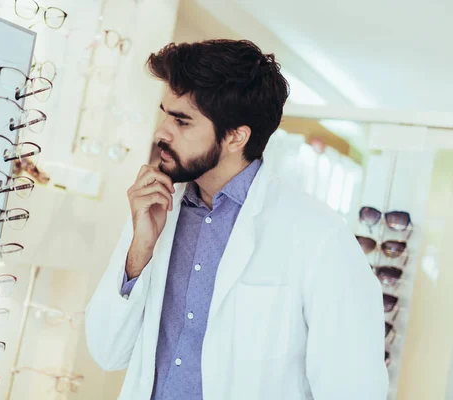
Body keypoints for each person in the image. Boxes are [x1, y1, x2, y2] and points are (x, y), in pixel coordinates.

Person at [85, 39, 388, 400]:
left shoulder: (319, 237)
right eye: (165, 113)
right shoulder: (156, 209)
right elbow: (107, 353)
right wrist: (139, 252)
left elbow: (353, 389)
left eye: (181, 121)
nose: (161, 132)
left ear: (234, 137)